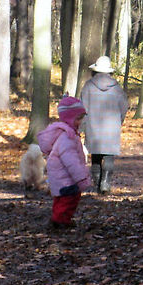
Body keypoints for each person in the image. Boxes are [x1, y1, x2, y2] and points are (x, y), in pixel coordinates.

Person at [37, 96, 92, 231]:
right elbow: (72, 162)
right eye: (78, 119)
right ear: (69, 119)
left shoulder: (67, 134)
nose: (80, 122)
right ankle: (60, 221)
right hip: (66, 178)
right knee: (70, 199)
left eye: (81, 118)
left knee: (61, 199)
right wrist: (82, 178)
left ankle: (58, 219)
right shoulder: (68, 137)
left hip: (60, 177)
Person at [80, 55, 129, 193]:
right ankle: (105, 183)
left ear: (95, 70)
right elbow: (124, 106)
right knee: (108, 156)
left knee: (95, 156)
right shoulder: (117, 88)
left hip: (93, 126)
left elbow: (82, 107)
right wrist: (119, 121)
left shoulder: (88, 86)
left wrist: (82, 126)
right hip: (111, 127)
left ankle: (96, 182)